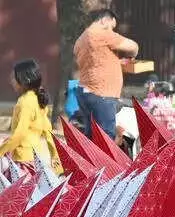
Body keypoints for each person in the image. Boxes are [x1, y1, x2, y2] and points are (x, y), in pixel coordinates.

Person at [74, 8, 139, 140]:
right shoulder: (100, 34)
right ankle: (103, 161)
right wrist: (132, 56)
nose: (112, 31)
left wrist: (115, 62)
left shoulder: (81, 39)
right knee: (106, 137)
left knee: (91, 135)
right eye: (111, 27)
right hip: (102, 94)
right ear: (104, 20)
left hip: (86, 91)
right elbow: (133, 47)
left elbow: (95, 62)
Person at [0, 59, 61, 173]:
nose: (12, 81)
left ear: (24, 80)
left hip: (22, 161)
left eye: (14, 78)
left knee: (14, 190)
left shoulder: (25, 102)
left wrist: (1, 151)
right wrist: (54, 156)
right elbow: (48, 132)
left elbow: (19, 134)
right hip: (34, 160)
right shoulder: (37, 99)